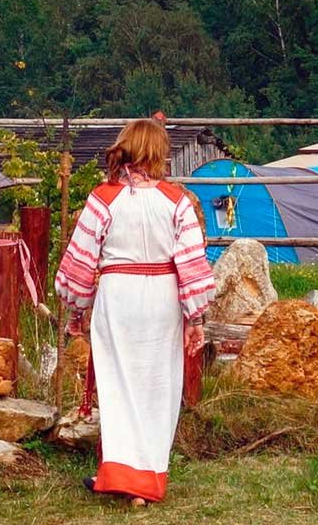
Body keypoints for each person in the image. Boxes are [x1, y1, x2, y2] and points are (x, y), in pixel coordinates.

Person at [55, 118, 216, 504]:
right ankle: (146, 480)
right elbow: (192, 264)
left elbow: (79, 266)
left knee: (119, 385)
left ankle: (123, 475)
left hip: (119, 298)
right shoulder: (176, 201)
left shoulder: (102, 199)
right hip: (163, 299)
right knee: (158, 386)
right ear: (159, 152)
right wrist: (195, 318)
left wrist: (77, 309)